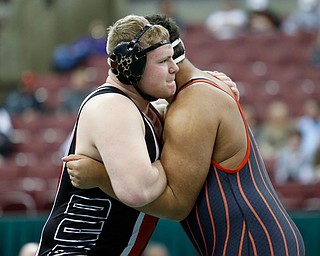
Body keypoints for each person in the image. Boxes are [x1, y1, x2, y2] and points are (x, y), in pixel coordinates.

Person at [64, 15, 305, 255]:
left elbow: (176, 204)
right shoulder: (190, 97)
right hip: (253, 241)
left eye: (169, 59)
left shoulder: (192, 105)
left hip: (252, 244)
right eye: (162, 61)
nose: (171, 68)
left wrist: (100, 176)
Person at [36, 14, 179, 256]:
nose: (174, 68)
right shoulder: (112, 107)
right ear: (131, 66)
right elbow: (138, 191)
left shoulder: (136, 109)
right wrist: (177, 163)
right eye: (163, 61)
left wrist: (208, 85)